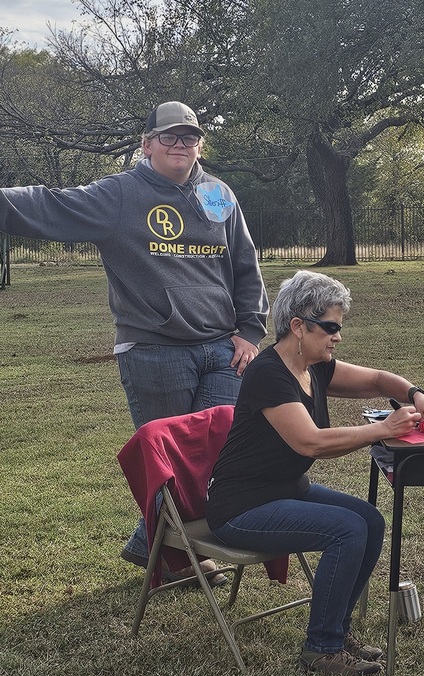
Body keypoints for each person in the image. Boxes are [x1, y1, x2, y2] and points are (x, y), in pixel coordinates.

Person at [0, 101, 269, 579]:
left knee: (217, 453)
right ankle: (179, 558)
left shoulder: (218, 194)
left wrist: (249, 330)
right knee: (171, 461)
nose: (180, 145)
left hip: (221, 349)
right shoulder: (119, 195)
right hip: (154, 350)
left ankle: (150, 541)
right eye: (168, 137)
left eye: (189, 137)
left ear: (199, 145)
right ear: (146, 146)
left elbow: (245, 264)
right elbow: (49, 204)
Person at [206, 270, 424, 676]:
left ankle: (336, 630)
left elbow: (379, 379)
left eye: (339, 327)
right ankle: (322, 649)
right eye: (330, 327)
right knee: (346, 529)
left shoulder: (315, 366)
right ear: (298, 326)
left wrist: (415, 393)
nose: (337, 337)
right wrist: (383, 429)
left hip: (285, 490)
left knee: (369, 520)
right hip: (240, 508)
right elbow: (310, 442)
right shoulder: (269, 374)